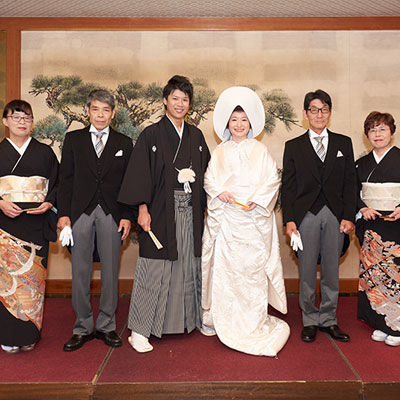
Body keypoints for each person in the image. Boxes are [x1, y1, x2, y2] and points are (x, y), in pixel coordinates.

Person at [118, 75, 210, 353]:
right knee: (154, 267)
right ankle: (140, 331)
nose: (180, 103)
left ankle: (187, 321)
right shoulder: (151, 134)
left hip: (191, 209)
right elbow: (139, 174)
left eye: (185, 99)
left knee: (188, 265)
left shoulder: (196, 135)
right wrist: (142, 209)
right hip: (159, 209)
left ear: (189, 104)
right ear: (165, 101)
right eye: (175, 98)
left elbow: (207, 174)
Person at [200, 86, 290, 357]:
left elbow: (272, 180)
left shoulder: (260, 150)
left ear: (250, 123)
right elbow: (208, 179)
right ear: (227, 123)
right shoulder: (220, 152)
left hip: (252, 222)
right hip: (227, 222)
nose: (239, 125)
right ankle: (220, 316)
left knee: (251, 273)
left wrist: (259, 200)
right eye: (234, 120)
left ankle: (252, 319)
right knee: (225, 272)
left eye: (243, 120)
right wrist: (219, 192)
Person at [58, 89, 133, 351]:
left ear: (113, 113)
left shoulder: (124, 143)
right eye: (95, 109)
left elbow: (128, 184)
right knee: (80, 272)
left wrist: (126, 216)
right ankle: (82, 326)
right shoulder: (73, 140)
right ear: (87, 111)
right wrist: (64, 215)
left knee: (111, 271)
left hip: (111, 213)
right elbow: (65, 179)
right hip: (80, 212)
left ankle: (107, 325)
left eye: (106, 110)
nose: (100, 114)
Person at [281, 89, 357, 343]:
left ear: (329, 113)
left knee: (331, 270)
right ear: (305, 113)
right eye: (314, 109)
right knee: (306, 268)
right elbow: (288, 187)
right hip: (305, 216)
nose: (319, 114)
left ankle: (329, 318)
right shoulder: (293, 146)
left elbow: (350, 182)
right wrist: (289, 220)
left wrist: (348, 216)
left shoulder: (343, 143)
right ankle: (310, 319)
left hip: (335, 215)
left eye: (324, 109)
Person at [0, 100, 58, 354]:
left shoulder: (45, 153)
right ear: (5, 121)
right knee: (6, 282)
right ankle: (8, 334)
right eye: (16, 117)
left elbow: (57, 184)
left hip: (35, 223)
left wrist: (49, 203)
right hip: (5, 224)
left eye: (27, 118)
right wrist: (0, 203)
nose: (22, 122)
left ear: (32, 122)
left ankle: (30, 332)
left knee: (33, 281)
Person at [356, 111, 400, 346]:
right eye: (372, 130)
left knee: (395, 275)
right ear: (367, 135)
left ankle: (397, 326)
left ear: (392, 132)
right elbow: (351, 192)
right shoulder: (360, 164)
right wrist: (362, 208)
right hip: (372, 226)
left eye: (382, 129)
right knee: (374, 276)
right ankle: (382, 323)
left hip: (396, 226)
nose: (377, 134)